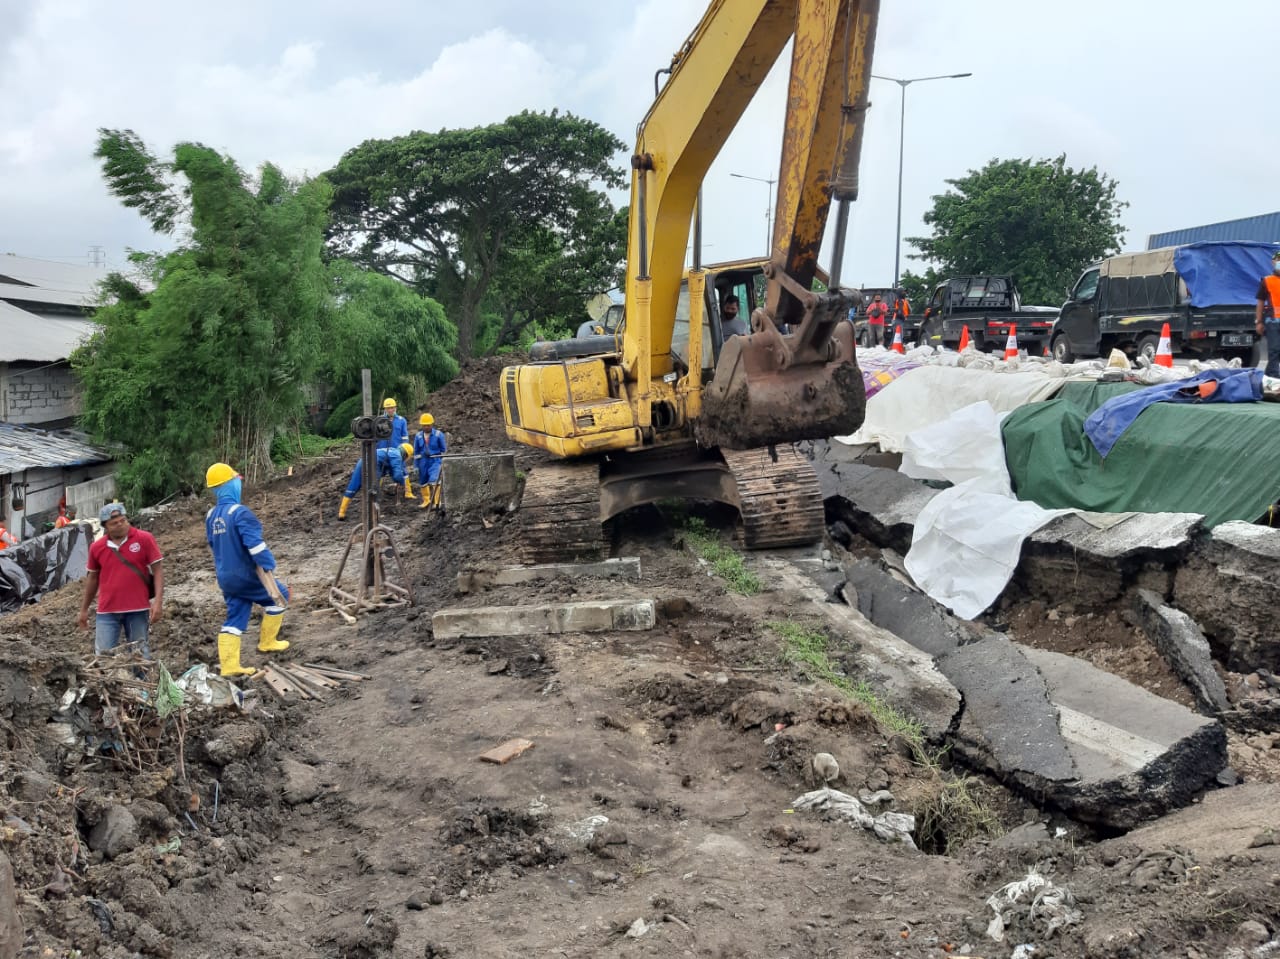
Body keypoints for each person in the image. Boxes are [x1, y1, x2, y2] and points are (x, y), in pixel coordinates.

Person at [205, 463, 289, 677]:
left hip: (226, 577)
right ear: (229, 484)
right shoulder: (240, 513)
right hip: (246, 575)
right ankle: (267, 642)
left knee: (236, 615)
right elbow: (255, 545)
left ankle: (229, 666)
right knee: (279, 597)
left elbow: (213, 544)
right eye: (236, 481)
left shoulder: (211, 515)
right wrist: (268, 564)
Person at [77, 503, 164, 658]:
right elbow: (93, 579)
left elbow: (157, 571)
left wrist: (158, 602)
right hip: (107, 611)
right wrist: (84, 610)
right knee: (103, 657)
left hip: (138, 609)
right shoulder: (97, 548)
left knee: (140, 655)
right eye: (114, 523)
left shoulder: (144, 539)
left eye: (123, 521)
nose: (120, 525)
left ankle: (142, 682)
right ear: (106, 526)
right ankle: (105, 682)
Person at [338, 443, 415, 520]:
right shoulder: (397, 456)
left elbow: (392, 472)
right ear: (406, 454)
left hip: (362, 460)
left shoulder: (391, 451)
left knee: (354, 485)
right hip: (373, 464)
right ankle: (374, 515)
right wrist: (402, 483)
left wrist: (396, 479)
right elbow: (397, 475)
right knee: (375, 491)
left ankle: (341, 512)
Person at [413, 413, 448, 510]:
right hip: (423, 461)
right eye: (424, 425)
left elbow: (443, 450)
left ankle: (437, 502)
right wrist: (416, 465)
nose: (426, 427)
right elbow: (416, 452)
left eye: (428, 425)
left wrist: (442, 463)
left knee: (434, 480)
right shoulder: (418, 436)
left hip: (435, 460)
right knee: (423, 481)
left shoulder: (438, 435)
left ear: (432, 424)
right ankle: (426, 500)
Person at [1256, 251, 1280, 378]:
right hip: (1273, 322)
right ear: (1273, 262)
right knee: (1275, 350)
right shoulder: (1267, 281)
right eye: (1278, 260)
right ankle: (1273, 377)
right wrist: (1259, 321)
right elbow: (1260, 302)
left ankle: (1270, 375)